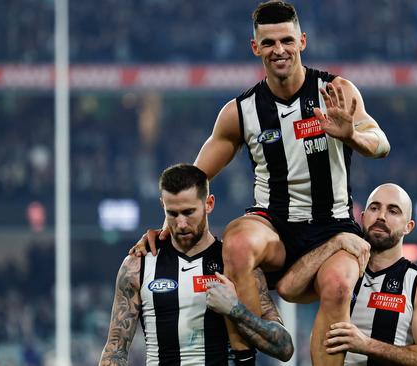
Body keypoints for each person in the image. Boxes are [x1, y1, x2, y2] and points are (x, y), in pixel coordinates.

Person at [131, 2, 389, 365]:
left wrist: (353, 136)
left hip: (333, 228)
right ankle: (245, 359)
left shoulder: (335, 91)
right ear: (255, 48)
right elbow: (194, 178)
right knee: (235, 242)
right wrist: (168, 228)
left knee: (339, 286)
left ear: (302, 41)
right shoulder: (241, 111)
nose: (278, 50)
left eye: (286, 40)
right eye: (268, 43)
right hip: (274, 226)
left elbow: (381, 143)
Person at [100, 164, 293, 366]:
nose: (181, 224)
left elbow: (285, 348)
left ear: (209, 204)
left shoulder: (236, 263)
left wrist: (235, 310)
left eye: (188, 212)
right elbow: (115, 351)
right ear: (162, 206)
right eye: (172, 214)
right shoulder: (138, 266)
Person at [276, 183, 417, 365]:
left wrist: (366, 345)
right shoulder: (340, 271)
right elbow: (288, 289)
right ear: (363, 217)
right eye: (374, 208)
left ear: (408, 226)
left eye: (393, 211)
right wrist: (334, 243)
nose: (381, 216)